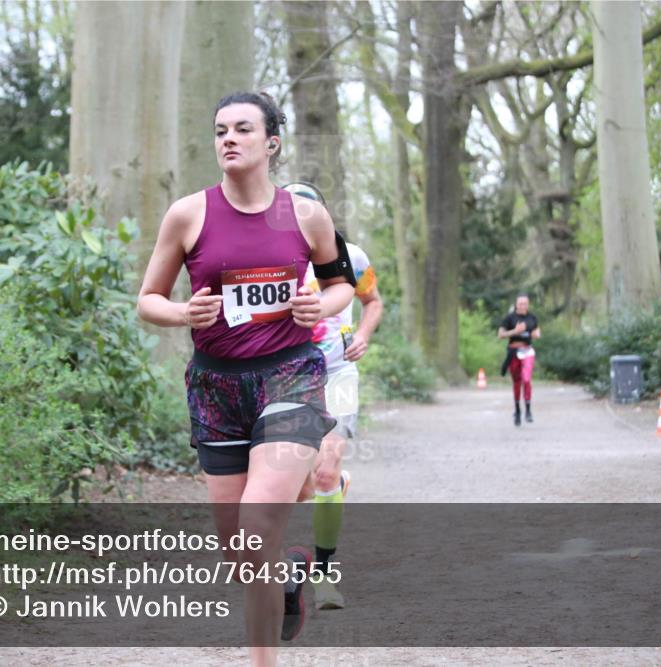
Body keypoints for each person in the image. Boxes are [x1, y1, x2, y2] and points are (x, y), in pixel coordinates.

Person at [137, 91, 354, 665]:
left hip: (289, 376)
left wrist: (321, 306)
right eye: (220, 131)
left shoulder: (305, 214)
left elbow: (342, 284)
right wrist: (183, 313)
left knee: (256, 528)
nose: (228, 139)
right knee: (241, 556)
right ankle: (289, 576)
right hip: (217, 388)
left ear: (271, 142)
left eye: (242, 129)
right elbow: (148, 299)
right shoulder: (189, 214)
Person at [282, 182, 383, 611]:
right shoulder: (272, 260)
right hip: (286, 376)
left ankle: (324, 577)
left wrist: (362, 334)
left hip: (337, 373)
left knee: (324, 472)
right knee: (300, 488)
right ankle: (333, 487)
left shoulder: (351, 256)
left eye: (309, 210)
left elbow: (372, 301)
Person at [498, 294, 541, 426]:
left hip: (527, 351)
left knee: (526, 379)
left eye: (525, 304)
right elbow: (500, 334)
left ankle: (528, 410)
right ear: (516, 304)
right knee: (517, 382)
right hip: (514, 351)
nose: (523, 306)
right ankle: (517, 410)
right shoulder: (509, 318)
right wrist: (514, 331)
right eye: (520, 303)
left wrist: (536, 334)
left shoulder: (532, 318)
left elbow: (537, 332)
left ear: (528, 305)